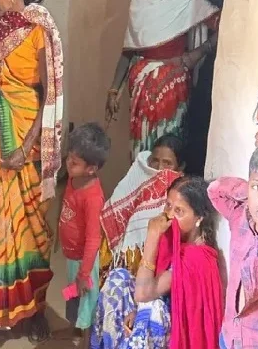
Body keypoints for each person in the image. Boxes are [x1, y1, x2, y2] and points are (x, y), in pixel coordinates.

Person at [0, 0, 64, 341]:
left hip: (25, 141)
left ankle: (34, 311)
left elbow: (48, 95)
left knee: (30, 229)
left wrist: (26, 148)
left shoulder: (39, 30)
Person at [105, 0, 220, 159]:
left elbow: (224, 25)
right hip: (141, 89)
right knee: (141, 152)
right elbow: (129, 49)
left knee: (169, 149)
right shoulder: (140, 0)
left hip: (172, 87)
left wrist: (197, 53)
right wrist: (114, 89)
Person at [91, 175, 223, 349]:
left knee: (153, 310)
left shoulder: (196, 258)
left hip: (177, 335)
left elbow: (143, 294)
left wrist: (152, 235)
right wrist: (137, 310)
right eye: (168, 205)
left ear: (199, 218)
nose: (169, 216)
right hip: (162, 315)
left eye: (179, 211)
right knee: (118, 278)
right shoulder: (176, 242)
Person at [207, 140, 258, 348]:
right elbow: (215, 190)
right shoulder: (240, 215)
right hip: (230, 337)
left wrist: (257, 188)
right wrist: (247, 191)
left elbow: (255, 282)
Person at [99, 134, 184, 282]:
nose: (159, 168)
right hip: (121, 262)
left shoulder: (179, 196)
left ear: (180, 167)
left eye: (167, 163)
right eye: (155, 161)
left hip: (154, 268)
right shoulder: (136, 179)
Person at [58, 123, 110, 348]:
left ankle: (87, 341)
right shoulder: (73, 178)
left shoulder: (92, 198)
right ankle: (76, 333)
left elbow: (93, 239)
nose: (69, 163)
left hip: (84, 262)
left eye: (75, 162)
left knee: (86, 308)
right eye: (69, 157)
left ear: (91, 169)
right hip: (72, 257)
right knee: (74, 300)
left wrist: (83, 273)